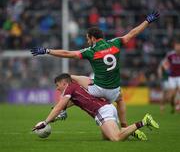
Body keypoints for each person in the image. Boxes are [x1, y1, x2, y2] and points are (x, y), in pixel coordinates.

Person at [30, 11, 160, 140]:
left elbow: (68, 53)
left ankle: (62, 109)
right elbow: (133, 33)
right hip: (114, 91)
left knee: (73, 85)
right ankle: (125, 127)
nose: (87, 42)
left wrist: (47, 51)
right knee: (119, 99)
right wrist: (147, 21)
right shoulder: (115, 43)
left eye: (88, 39)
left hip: (99, 89)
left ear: (93, 38)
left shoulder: (91, 51)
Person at [33, 73, 159, 141]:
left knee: (115, 138)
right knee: (107, 139)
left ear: (64, 83)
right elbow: (64, 106)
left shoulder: (70, 88)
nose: (57, 88)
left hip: (102, 111)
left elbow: (59, 106)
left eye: (57, 85)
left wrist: (45, 122)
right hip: (107, 108)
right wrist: (57, 115)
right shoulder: (77, 90)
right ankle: (131, 132)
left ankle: (144, 122)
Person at [163, 39, 180, 113]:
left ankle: (178, 105)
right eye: (177, 46)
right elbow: (164, 63)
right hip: (172, 77)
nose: (178, 47)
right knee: (172, 94)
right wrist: (166, 69)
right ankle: (173, 104)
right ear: (174, 46)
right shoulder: (170, 55)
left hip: (179, 76)